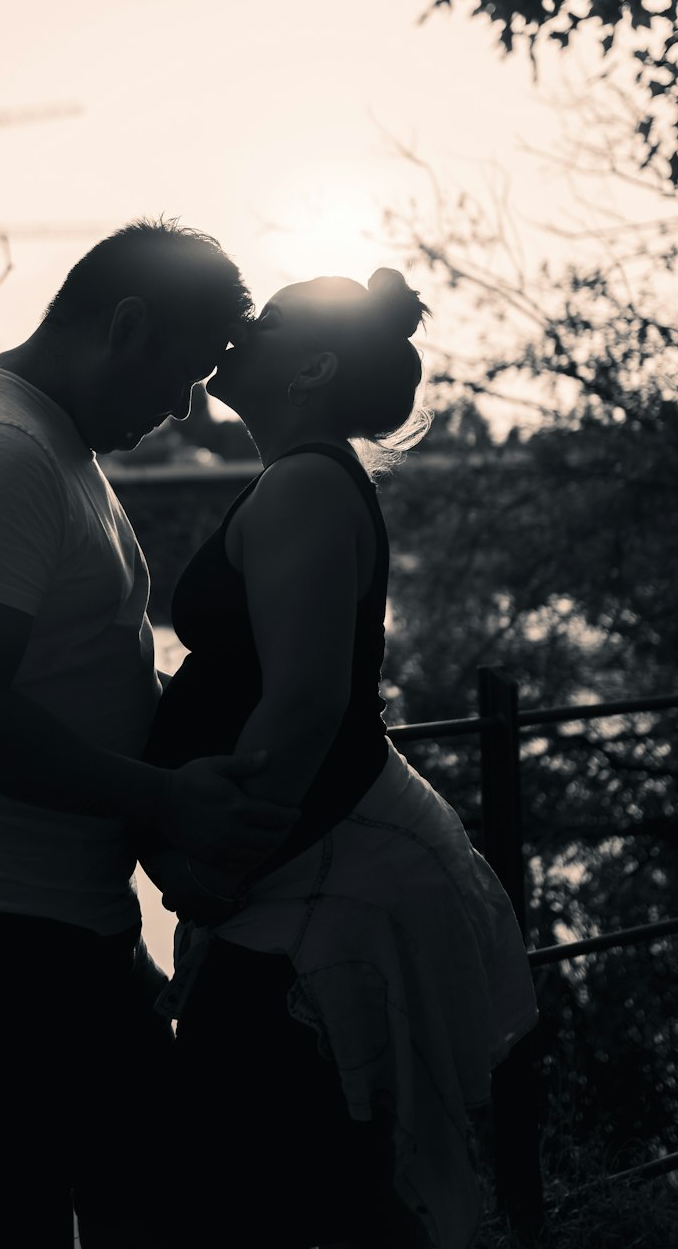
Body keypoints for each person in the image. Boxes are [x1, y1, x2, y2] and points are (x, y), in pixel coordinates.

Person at [0, 217, 299, 1249]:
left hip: (31, 929)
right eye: (180, 373)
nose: (184, 407)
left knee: (152, 1201)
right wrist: (165, 797)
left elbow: (62, 672)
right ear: (124, 325)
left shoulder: (47, 443)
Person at [139, 269, 540, 1249]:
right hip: (308, 869)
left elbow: (311, 701)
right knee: (335, 1184)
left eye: (264, 325)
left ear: (311, 367)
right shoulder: (306, 479)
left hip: (309, 883)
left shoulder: (307, 485)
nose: (237, 332)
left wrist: (216, 861)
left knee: (267, 1181)